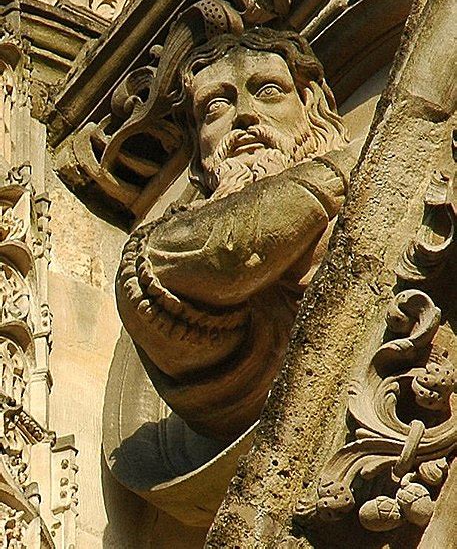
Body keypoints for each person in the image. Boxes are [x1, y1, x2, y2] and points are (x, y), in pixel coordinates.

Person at [116, 28, 358, 441]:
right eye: (215, 107)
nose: (244, 115)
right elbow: (233, 247)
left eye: (267, 91)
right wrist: (348, 166)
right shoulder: (158, 251)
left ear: (311, 106)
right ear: (199, 147)